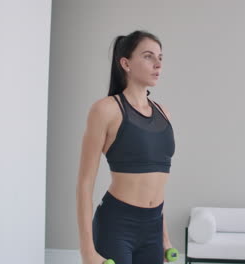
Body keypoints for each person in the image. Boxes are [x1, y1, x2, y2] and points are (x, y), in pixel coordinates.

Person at [76, 30, 175, 264]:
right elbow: (85, 183)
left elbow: (157, 184)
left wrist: (165, 238)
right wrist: (87, 251)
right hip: (117, 225)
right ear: (126, 63)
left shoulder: (163, 113)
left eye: (160, 57)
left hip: (153, 228)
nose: (158, 64)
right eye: (149, 56)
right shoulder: (105, 110)